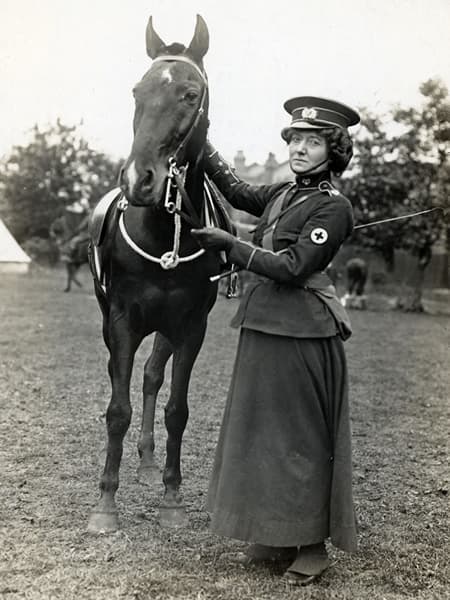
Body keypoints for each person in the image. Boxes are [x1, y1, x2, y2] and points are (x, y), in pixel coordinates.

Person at [191, 96, 360, 586]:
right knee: (262, 434)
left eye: (313, 141)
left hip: (303, 331)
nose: (300, 149)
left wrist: (232, 245)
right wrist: (201, 142)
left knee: (300, 441)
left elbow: (292, 267)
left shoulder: (333, 206)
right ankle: (274, 531)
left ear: (334, 150)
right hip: (262, 323)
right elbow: (240, 191)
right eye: (295, 140)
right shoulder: (285, 194)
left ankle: (311, 545)